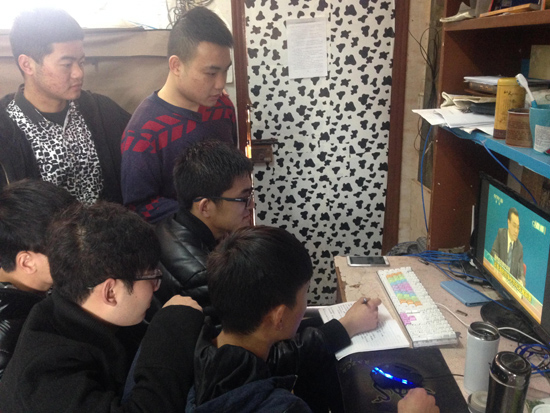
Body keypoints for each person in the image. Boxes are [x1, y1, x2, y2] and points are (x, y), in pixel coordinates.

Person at [187, 226, 438, 413]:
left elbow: (283, 355)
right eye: (305, 293)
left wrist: (345, 326)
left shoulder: (207, 349)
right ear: (279, 317)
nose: (306, 304)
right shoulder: (284, 408)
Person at [0, 202, 204, 412]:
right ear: (110, 292)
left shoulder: (79, 311)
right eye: (152, 276)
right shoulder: (46, 374)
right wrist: (171, 332)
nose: (156, 286)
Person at [0, 8, 130, 204]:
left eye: (81, 62)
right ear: (27, 65)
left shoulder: (101, 111)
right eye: (67, 64)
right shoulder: (5, 131)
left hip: (109, 222)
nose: (78, 73)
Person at [120, 6, 237, 223]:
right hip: (180, 242)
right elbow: (138, 207)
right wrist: (202, 215)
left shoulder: (223, 107)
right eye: (211, 73)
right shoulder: (144, 131)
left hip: (230, 237)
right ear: (176, 65)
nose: (220, 83)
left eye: (225, 70)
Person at [153, 140, 253, 315]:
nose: (251, 205)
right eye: (243, 199)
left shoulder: (169, 224)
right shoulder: (202, 276)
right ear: (205, 207)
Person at [0, 179, 77, 379]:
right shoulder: (12, 342)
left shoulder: (36, 291)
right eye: (67, 248)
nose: (81, 253)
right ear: (27, 263)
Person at [491, 207, 525, 285]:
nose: (516, 231)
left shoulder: (519, 247)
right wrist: (500, 267)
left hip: (509, 286)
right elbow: (493, 252)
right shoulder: (501, 234)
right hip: (497, 279)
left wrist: (521, 282)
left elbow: (521, 274)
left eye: (518, 227)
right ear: (508, 223)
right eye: (514, 226)